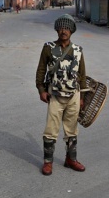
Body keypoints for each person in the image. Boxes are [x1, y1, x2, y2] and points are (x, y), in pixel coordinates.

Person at [35, 14, 87, 176]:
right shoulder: (48, 48)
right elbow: (41, 71)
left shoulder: (78, 50)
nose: (64, 31)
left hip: (73, 96)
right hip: (55, 96)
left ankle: (71, 159)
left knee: (72, 130)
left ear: (72, 31)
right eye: (61, 27)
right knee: (51, 130)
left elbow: (82, 75)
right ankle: (48, 162)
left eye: (67, 28)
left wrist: (82, 97)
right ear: (57, 29)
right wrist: (41, 90)